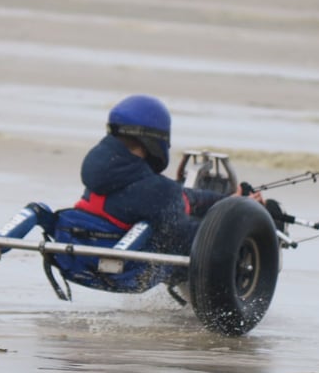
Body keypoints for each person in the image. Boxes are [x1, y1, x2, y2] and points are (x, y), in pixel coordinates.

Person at [73, 94, 263, 257]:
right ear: (154, 142)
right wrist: (237, 216)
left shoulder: (103, 177)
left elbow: (181, 197)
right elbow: (192, 237)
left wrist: (229, 201)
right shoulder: (154, 191)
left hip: (88, 241)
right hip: (135, 259)